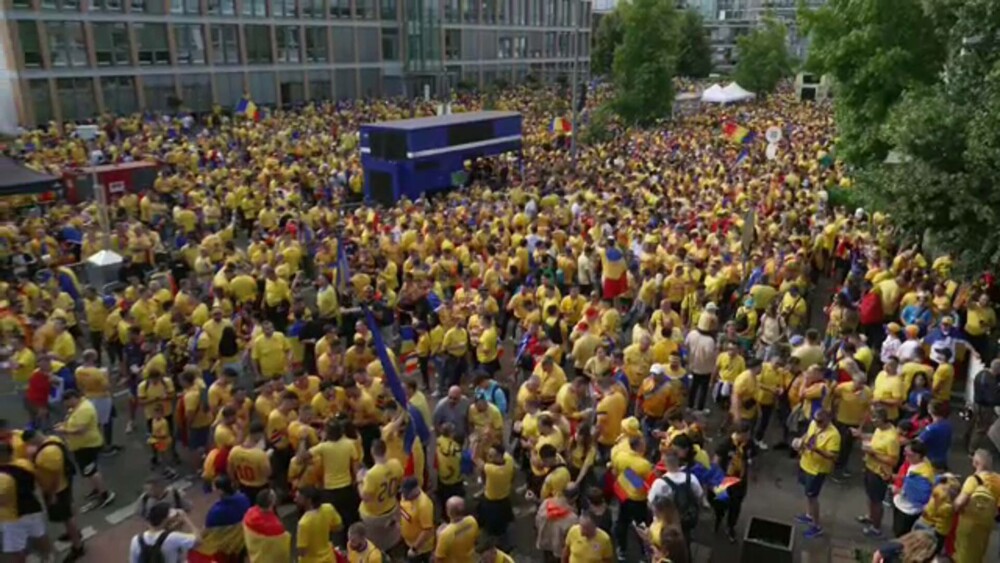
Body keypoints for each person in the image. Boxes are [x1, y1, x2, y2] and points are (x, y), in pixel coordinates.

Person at [55, 389, 115, 512]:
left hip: (88, 445)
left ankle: (105, 494)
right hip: (81, 446)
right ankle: (96, 489)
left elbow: (81, 430)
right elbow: (73, 422)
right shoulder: (77, 407)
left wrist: (64, 431)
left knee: (91, 470)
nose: (66, 406)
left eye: (67, 402)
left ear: (73, 398)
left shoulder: (84, 409)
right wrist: (64, 425)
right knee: (86, 471)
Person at [0, 441, 52, 563]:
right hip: (32, 506)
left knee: (16, 548)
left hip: (13, 516)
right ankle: (48, 557)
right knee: (39, 534)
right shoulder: (25, 464)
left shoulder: (2, 476)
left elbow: (2, 500)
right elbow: (38, 480)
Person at [308, 419, 361, 533]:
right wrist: (356, 482)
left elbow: (302, 456)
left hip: (329, 490)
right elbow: (355, 466)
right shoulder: (349, 444)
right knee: (350, 518)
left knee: (332, 521)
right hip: (346, 487)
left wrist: (321, 439)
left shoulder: (323, 447)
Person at [794, 409, 840, 539]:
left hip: (817, 470)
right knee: (808, 493)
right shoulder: (814, 424)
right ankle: (809, 515)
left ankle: (816, 526)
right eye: (815, 420)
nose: (817, 423)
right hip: (806, 463)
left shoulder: (834, 435)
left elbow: (834, 456)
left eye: (820, 421)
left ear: (828, 419)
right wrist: (801, 441)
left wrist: (817, 450)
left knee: (812, 496)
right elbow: (808, 435)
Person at [856, 408, 901, 538]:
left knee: (876, 501)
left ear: (882, 419)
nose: (872, 421)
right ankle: (871, 517)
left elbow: (893, 461)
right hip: (870, 467)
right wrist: (862, 437)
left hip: (880, 473)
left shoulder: (892, 438)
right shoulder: (879, 429)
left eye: (874, 419)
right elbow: (874, 439)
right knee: (870, 497)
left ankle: (876, 528)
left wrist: (873, 454)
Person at [952, 449, 1000, 563]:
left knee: (964, 553)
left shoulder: (973, 480)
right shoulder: (998, 479)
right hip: (986, 523)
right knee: (978, 551)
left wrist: (954, 507)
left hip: (969, 523)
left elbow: (959, 502)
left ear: (976, 463)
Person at [358, 439, 403, 552]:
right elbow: (400, 483)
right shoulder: (396, 464)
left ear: (372, 452)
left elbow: (365, 497)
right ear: (386, 450)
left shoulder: (371, 474)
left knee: (375, 544)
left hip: (374, 514)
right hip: (392, 507)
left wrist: (359, 481)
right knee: (392, 537)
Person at [712, 421, 751, 542]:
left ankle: (731, 527)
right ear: (739, 434)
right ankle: (718, 519)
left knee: (735, 506)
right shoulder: (726, 444)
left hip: (739, 481)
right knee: (720, 504)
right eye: (746, 434)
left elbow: (751, 456)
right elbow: (716, 460)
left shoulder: (748, 444)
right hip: (725, 480)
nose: (748, 437)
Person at [128, 501, 202, 563]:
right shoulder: (173, 537)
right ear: (165, 520)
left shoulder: (136, 540)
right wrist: (185, 518)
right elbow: (198, 540)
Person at [892, 441, 935, 537]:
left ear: (917, 455)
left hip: (907, 510)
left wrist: (899, 491)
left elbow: (919, 496)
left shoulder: (922, 474)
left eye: (907, 453)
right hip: (902, 505)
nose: (904, 455)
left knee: (901, 536)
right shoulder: (919, 463)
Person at [294, 486, 343, 563]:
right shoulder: (329, 508)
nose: (295, 500)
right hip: (329, 558)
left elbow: (302, 551)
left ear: (309, 500)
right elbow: (339, 527)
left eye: (299, 498)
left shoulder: (303, 523)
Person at [226, 422, 272, 504]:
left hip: (243, 486)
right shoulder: (260, 455)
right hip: (260, 487)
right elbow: (268, 473)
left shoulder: (234, 451)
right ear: (258, 434)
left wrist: (235, 482)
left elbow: (230, 470)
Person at [242, 489, 291, 563]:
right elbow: (281, 551)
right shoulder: (276, 526)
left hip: (253, 555)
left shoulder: (249, 513)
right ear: (272, 502)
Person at [535, 482, 579, 563]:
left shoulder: (546, 503)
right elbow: (572, 539)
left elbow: (537, 522)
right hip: (559, 550)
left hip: (545, 543)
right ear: (575, 498)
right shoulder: (573, 518)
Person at [399, 476, 435, 562]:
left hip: (421, 548)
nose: (404, 495)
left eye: (407, 492)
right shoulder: (405, 496)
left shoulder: (424, 505)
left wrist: (415, 549)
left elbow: (427, 530)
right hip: (408, 541)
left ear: (415, 489)